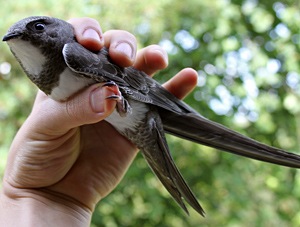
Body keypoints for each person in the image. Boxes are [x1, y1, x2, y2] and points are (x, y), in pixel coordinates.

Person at [0, 17, 198, 226]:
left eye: (38, 28)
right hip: (119, 122)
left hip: (139, 110)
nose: (21, 37)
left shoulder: (73, 52)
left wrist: (32, 198)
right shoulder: (38, 73)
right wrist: (36, 197)